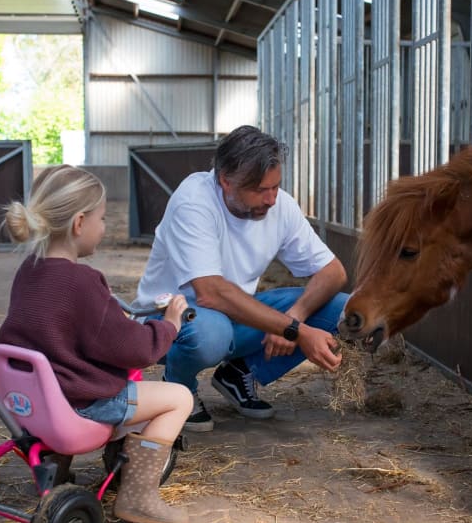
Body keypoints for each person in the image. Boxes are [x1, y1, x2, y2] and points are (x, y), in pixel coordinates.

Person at [0, 165, 193, 523]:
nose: (105, 227)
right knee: (179, 398)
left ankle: (55, 470)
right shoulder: (83, 282)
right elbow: (131, 349)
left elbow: (55, 329)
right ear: (79, 223)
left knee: (68, 366)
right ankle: (139, 498)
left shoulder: (30, 270)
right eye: (103, 218)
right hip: (82, 405)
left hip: (34, 403)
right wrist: (167, 326)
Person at [135, 125, 349, 432]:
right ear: (225, 180)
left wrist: (294, 318)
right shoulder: (193, 201)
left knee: (338, 308)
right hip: (175, 317)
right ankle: (179, 387)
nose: (272, 199)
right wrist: (295, 331)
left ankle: (239, 374)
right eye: (261, 190)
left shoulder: (280, 205)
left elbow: (334, 272)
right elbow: (210, 293)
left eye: (276, 187)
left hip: (236, 313)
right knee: (211, 335)